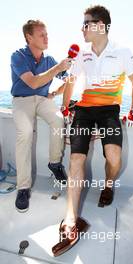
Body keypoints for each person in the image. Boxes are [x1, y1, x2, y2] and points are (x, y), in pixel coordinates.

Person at [52, 5, 133, 256]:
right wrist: (65, 108)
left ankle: (109, 184)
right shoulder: (81, 54)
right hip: (84, 111)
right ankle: (70, 220)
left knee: (114, 157)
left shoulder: (122, 52)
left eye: (86, 24)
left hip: (109, 111)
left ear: (100, 25)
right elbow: (70, 82)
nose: (82, 29)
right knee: (76, 161)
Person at [11, 19, 72, 213]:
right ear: (29, 37)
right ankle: (23, 188)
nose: (47, 37)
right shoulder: (18, 56)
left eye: (46, 33)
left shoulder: (49, 60)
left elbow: (69, 80)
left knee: (58, 119)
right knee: (26, 133)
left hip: (43, 99)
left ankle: (54, 163)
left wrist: (57, 92)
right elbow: (33, 83)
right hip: (22, 100)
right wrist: (57, 69)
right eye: (41, 34)